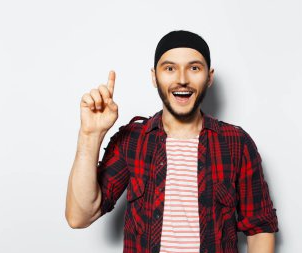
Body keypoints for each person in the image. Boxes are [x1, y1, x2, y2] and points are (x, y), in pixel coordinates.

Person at [65, 30, 279, 253]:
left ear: (209, 77)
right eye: (170, 68)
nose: (182, 79)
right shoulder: (133, 140)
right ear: (154, 77)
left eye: (194, 68)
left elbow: (259, 228)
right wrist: (90, 135)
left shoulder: (236, 143)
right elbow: (79, 216)